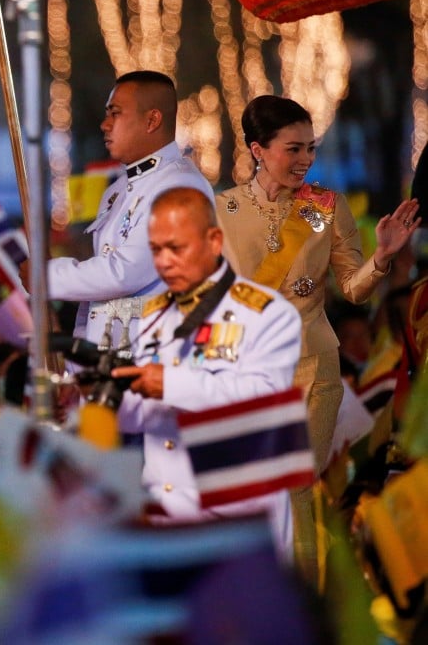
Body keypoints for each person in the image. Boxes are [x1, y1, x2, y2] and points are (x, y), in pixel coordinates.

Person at [215, 95, 420, 582]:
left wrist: (382, 258)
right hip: (246, 367)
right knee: (248, 487)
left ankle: (307, 602)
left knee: (297, 482)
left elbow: (353, 290)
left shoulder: (324, 208)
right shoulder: (220, 209)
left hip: (313, 367)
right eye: (293, 149)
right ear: (258, 149)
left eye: (311, 148)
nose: (306, 160)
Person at [110, 188, 301, 554]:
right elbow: (145, 415)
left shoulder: (266, 314)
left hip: (238, 525)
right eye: (155, 250)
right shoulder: (153, 315)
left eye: (175, 248)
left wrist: (169, 383)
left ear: (214, 241)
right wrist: (99, 398)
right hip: (166, 519)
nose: (163, 262)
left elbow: (264, 405)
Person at [45, 71, 214, 354]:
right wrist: (81, 361)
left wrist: (47, 277)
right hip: (112, 360)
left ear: (152, 120)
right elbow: (100, 300)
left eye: (116, 114)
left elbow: (123, 273)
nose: (105, 125)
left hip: (154, 358)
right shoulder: (118, 190)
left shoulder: (180, 185)